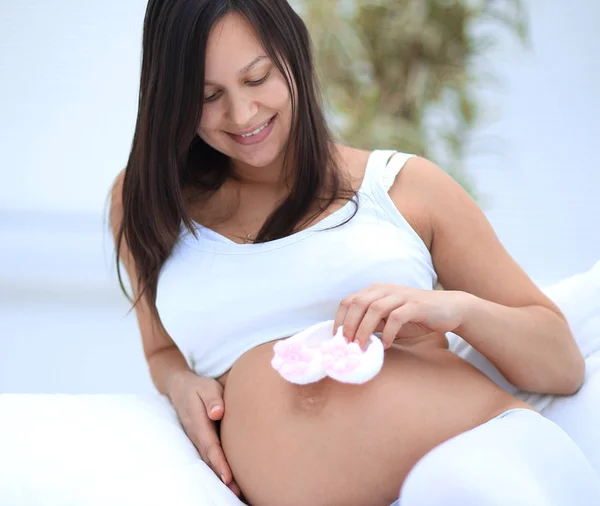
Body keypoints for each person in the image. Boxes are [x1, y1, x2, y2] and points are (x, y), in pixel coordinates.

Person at [109, 1, 600, 505]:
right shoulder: (148, 207)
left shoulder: (404, 188)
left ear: (294, 55)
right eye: (208, 96)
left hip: (480, 467)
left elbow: (561, 364)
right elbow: (161, 350)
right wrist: (179, 384)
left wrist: (456, 311)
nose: (242, 114)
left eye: (257, 79)